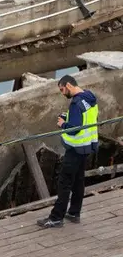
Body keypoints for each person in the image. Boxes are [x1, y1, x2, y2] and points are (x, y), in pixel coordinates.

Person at [37, 75, 98, 228]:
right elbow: (85, 120)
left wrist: (63, 124)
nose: (62, 93)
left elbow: (74, 129)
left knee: (64, 183)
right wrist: (68, 118)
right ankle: (74, 212)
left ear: (69, 85)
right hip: (86, 146)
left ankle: (56, 217)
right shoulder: (90, 98)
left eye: (62, 89)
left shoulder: (76, 103)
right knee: (78, 181)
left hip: (75, 149)